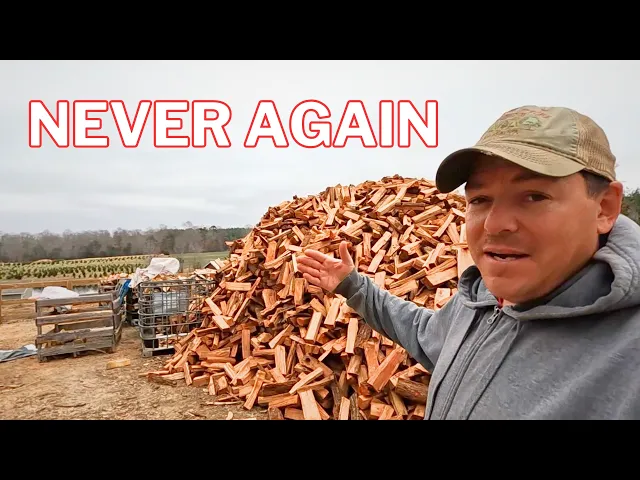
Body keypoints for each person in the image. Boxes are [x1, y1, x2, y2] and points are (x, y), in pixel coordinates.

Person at [297, 105, 640, 420]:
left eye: (534, 196)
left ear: (604, 208)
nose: (494, 224)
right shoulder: (483, 301)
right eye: (480, 199)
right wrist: (352, 286)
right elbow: (425, 333)